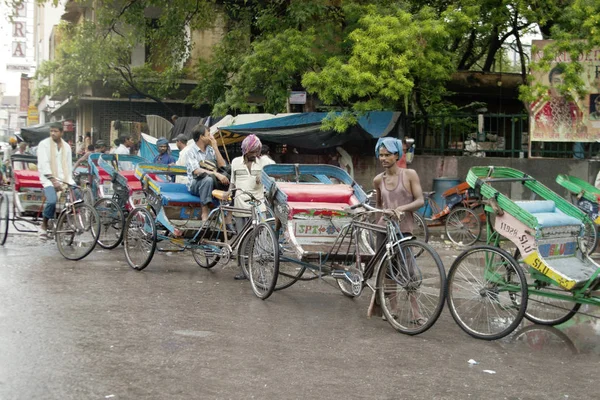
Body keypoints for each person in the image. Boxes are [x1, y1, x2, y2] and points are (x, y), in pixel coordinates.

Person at [372, 137, 425, 324]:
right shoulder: (378, 180)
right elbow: (379, 204)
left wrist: (401, 209)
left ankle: (416, 313)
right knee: (388, 271)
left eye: (387, 155)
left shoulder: (409, 175)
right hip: (384, 229)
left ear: (397, 155)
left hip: (404, 230)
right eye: (381, 155)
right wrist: (380, 218)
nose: (383, 158)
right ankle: (392, 310)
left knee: (409, 272)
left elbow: (420, 201)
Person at [229, 135, 273, 280]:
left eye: (256, 151)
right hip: (240, 206)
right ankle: (244, 269)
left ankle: (261, 274)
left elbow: (273, 180)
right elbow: (233, 183)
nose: (254, 154)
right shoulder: (235, 162)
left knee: (261, 240)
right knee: (243, 240)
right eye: (252, 151)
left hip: (259, 206)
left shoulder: (264, 163)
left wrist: (265, 179)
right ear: (245, 151)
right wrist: (228, 196)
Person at [37, 122, 76, 240]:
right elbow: (43, 164)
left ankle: (66, 221)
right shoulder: (44, 144)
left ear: (61, 132)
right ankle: (44, 225)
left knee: (77, 196)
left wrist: (69, 181)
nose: (53, 133)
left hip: (64, 178)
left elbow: (68, 166)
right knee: (52, 201)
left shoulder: (67, 147)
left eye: (56, 131)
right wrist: (53, 180)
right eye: (51, 131)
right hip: (48, 178)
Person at [186, 124, 228, 221]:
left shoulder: (210, 149)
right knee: (207, 180)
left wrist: (215, 147)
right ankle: (205, 212)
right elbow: (196, 171)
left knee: (228, 178)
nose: (211, 137)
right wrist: (216, 174)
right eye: (209, 134)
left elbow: (222, 166)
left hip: (212, 182)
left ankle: (226, 214)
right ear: (201, 137)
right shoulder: (190, 151)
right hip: (196, 184)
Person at [531, 66, 585, 141]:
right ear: (551, 83)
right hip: (546, 145)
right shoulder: (541, 102)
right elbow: (532, 119)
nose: (561, 86)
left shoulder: (572, 102)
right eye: (557, 81)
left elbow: (580, 122)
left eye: (564, 82)